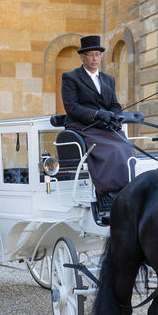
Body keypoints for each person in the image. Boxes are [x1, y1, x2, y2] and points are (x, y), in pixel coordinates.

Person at [60, 35, 134, 209]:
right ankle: (106, 192)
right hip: (83, 125)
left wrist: (115, 116)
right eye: (91, 54)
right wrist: (97, 114)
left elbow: (115, 104)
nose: (95, 58)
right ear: (82, 57)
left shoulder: (108, 79)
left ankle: (125, 189)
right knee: (113, 150)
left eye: (98, 54)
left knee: (127, 147)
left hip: (105, 125)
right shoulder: (71, 78)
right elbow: (72, 107)